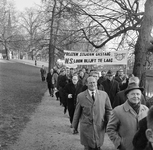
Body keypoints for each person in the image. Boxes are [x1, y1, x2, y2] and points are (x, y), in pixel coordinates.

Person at [72, 76, 112, 150]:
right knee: (88, 146)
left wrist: (109, 123)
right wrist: (74, 126)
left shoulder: (104, 95)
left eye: (94, 82)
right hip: (86, 127)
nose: (92, 84)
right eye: (90, 83)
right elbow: (77, 112)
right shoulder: (81, 96)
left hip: (99, 125)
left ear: (96, 83)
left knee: (98, 145)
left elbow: (109, 110)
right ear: (87, 84)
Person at [106, 82, 149, 150]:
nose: (135, 96)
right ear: (127, 96)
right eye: (133, 94)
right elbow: (110, 129)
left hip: (143, 147)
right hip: (126, 147)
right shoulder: (118, 111)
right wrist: (119, 143)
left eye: (138, 94)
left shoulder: (146, 110)